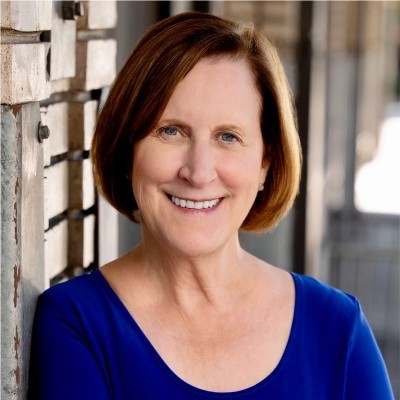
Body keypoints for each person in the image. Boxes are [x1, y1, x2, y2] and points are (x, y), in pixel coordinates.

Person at [29, 12, 394, 399]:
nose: (199, 172)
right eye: (171, 131)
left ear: (265, 164)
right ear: (127, 149)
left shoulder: (337, 329)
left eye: (228, 137)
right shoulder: (76, 323)